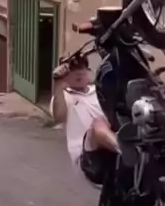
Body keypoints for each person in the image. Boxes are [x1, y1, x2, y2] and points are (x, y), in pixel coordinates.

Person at [50, 55, 119, 183]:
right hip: (86, 156)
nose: (79, 72)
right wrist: (58, 84)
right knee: (97, 124)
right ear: (65, 76)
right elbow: (59, 117)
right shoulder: (64, 96)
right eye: (72, 69)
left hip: (108, 146)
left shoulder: (99, 91)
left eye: (82, 67)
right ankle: (126, 151)